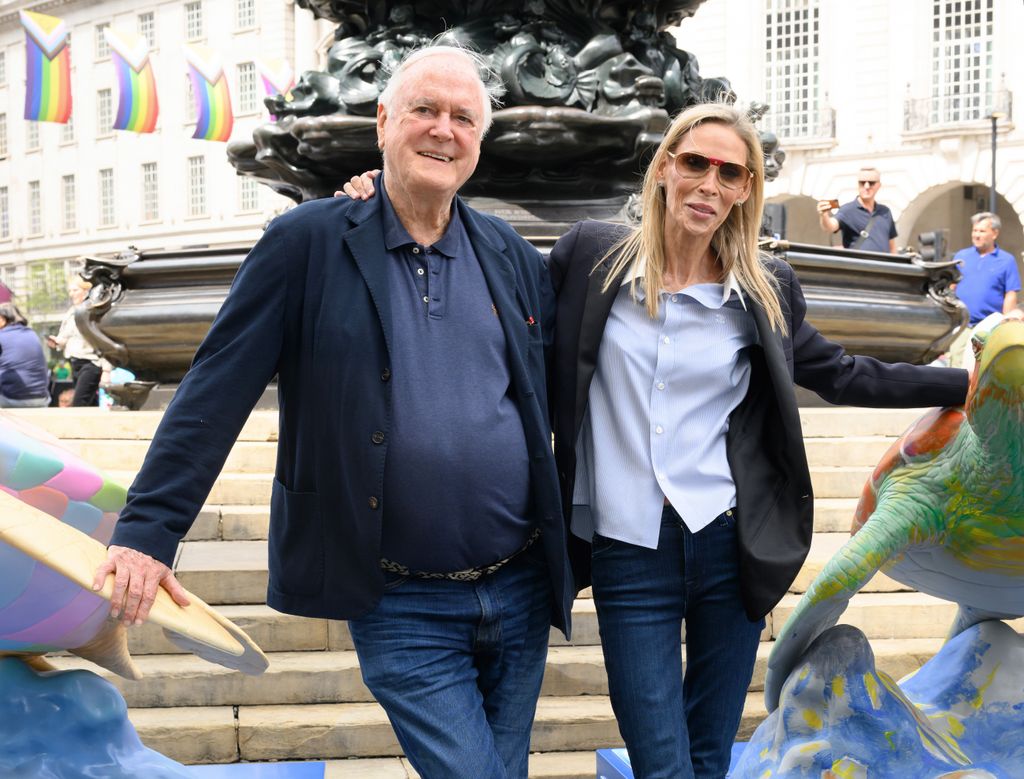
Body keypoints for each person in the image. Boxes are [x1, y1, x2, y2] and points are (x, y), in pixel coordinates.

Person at [341, 104, 970, 777]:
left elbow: (843, 373)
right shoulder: (590, 257)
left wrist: (974, 378)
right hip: (627, 551)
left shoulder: (764, 288)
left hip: (728, 545)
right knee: (661, 761)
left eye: (730, 172)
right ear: (666, 166)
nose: (709, 183)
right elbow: (482, 277)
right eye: (695, 162)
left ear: (746, 190)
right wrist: (396, 205)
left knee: (706, 756)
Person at [91, 45, 568, 779]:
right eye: (425, 111)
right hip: (399, 596)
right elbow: (214, 391)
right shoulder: (307, 243)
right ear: (383, 120)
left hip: (519, 584)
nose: (444, 130)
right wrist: (149, 529)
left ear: (481, 139)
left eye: (463, 117)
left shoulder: (509, 253)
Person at [946, 212, 1022, 368]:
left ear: (994, 233)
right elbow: (951, 287)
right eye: (975, 230)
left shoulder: (1006, 260)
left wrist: (1005, 324)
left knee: (984, 369)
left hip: (990, 327)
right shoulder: (961, 256)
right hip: (962, 325)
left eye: (982, 231)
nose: (976, 235)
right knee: (956, 367)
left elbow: (1010, 295)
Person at [47, 278, 104, 406]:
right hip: (74, 362)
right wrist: (57, 342)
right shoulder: (71, 311)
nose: (71, 293)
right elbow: (66, 336)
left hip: (91, 363)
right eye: (70, 290)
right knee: (90, 403)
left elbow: (102, 339)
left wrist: (107, 370)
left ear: (86, 291)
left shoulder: (93, 310)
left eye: (75, 290)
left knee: (79, 403)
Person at [816, 167, 897, 252]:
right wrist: (824, 215)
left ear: (879, 185)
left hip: (884, 264)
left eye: (871, 183)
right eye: (862, 183)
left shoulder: (885, 211)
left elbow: (892, 246)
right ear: (857, 185)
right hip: (858, 264)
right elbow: (830, 227)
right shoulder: (848, 210)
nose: (866, 186)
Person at [0, 302, 50, 407]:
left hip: (12, 399)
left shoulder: (2, 336)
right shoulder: (31, 333)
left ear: (2, 319)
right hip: (41, 399)